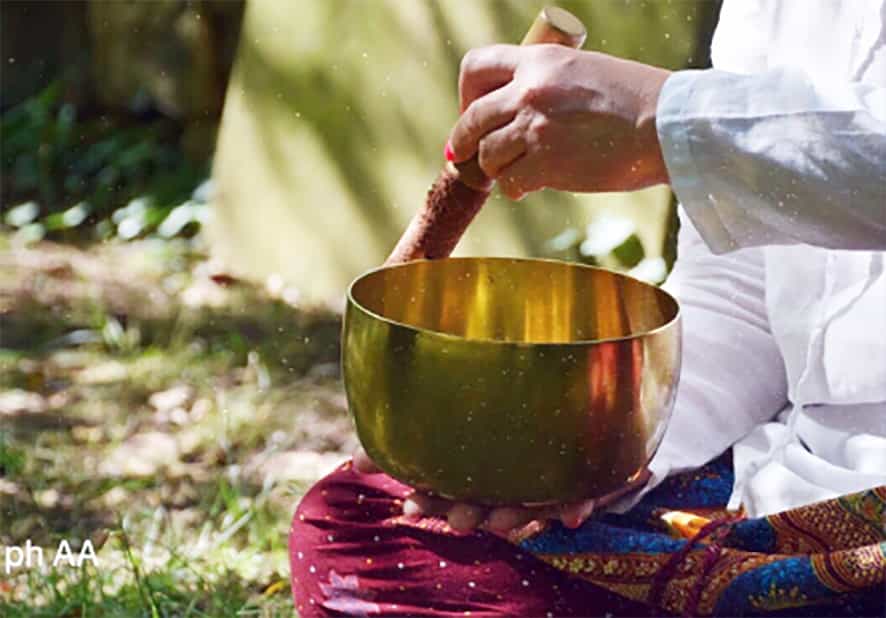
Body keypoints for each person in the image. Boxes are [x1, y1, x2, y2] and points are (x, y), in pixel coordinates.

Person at [289, 1, 886, 615]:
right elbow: (742, 287)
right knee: (357, 525)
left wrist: (671, 126)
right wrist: (591, 449)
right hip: (791, 473)